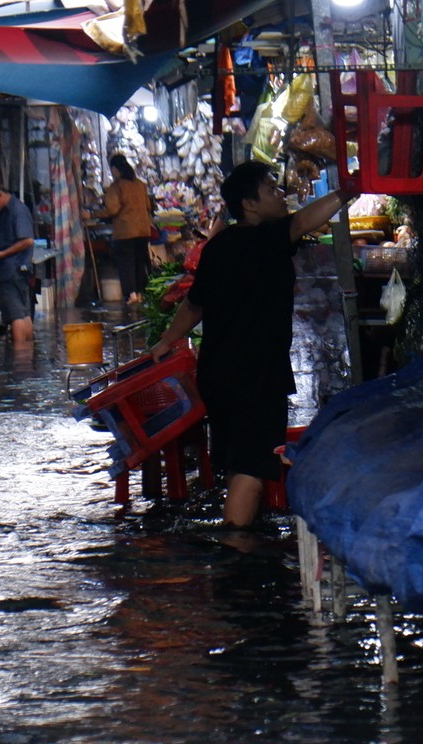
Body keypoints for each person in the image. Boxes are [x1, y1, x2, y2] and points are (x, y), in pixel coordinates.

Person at [150, 161, 357, 528]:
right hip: (257, 374)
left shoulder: (218, 247)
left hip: (217, 373)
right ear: (249, 203)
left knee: (237, 463)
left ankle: (240, 542)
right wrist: (347, 191)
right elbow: (302, 221)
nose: (280, 195)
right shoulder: (268, 238)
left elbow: (195, 304)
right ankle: (236, 554)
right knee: (252, 468)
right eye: (271, 189)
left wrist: (167, 341)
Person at [0, 177, 36, 347]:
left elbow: (27, 240)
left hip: (14, 269)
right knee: (23, 312)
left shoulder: (18, 210)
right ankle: (28, 351)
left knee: (15, 314)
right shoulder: (4, 213)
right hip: (13, 268)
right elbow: (8, 237)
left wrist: (1, 254)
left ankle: (20, 355)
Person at [102, 154, 154, 307]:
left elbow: (112, 209)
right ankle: (140, 293)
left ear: (115, 169)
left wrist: (95, 213)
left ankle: (131, 295)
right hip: (143, 230)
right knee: (139, 262)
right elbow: (148, 206)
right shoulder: (140, 184)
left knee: (126, 264)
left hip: (125, 232)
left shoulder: (117, 186)